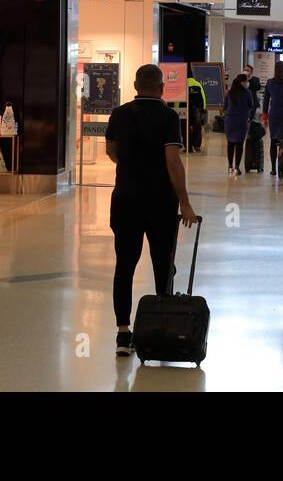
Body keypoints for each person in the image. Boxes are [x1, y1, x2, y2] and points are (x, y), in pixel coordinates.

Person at [105, 64, 198, 357]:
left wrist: (132, 163)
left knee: (125, 265)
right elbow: (172, 161)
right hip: (160, 201)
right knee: (162, 263)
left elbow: (111, 151)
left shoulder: (119, 114)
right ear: (161, 88)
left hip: (125, 199)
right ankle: (162, 326)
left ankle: (123, 334)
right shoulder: (168, 116)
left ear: (134, 85)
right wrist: (184, 201)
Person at [262, 61, 283, 177]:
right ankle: (281, 168)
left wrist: (265, 116)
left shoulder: (270, 83)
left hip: (274, 114)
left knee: (273, 141)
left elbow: (265, 101)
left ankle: (272, 169)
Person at [223, 74, 256, 175]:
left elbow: (225, 107)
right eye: (246, 81)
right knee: (239, 144)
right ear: (242, 82)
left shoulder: (230, 93)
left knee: (230, 143)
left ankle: (229, 166)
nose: (247, 83)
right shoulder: (247, 93)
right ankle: (237, 166)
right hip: (241, 120)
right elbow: (251, 105)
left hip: (230, 121)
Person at [186, 69, 207, 152]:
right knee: (197, 128)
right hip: (197, 110)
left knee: (186, 128)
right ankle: (197, 145)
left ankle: (188, 146)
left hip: (186, 110)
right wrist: (203, 108)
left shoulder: (183, 84)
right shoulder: (198, 84)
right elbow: (203, 97)